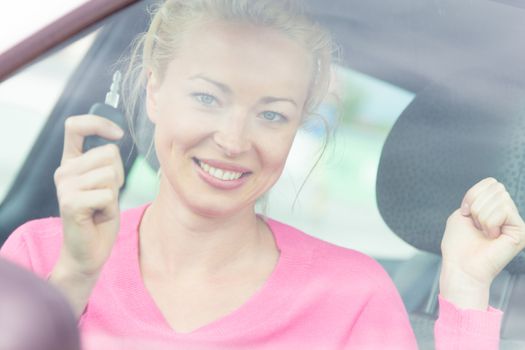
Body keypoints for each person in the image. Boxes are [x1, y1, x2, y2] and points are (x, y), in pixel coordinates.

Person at [1, 1, 524, 349]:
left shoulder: (351, 295)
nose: (233, 139)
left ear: (298, 127)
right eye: (208, 97)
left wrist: (466, 288)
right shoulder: (37, 259)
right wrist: (73, 280)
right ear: (154, 92)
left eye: (272, 114)